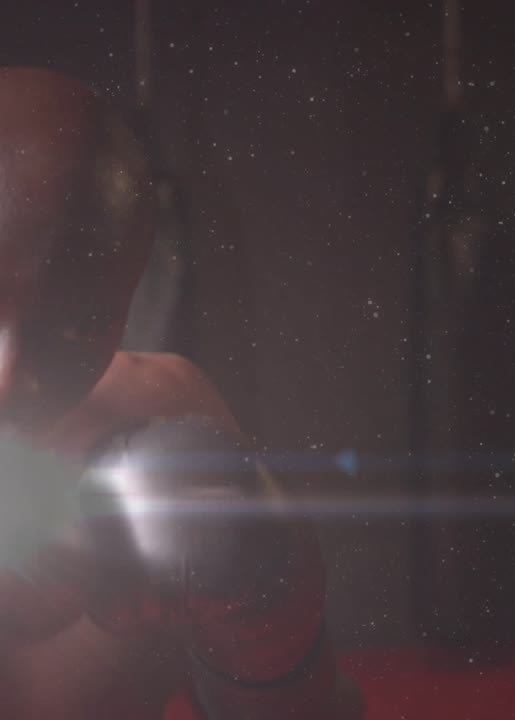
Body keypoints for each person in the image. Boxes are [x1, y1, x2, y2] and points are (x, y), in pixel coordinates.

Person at [0, 67, 358, 718]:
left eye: (70, 325)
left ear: (126, 302)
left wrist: (272, 631)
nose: (10, 370)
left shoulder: (164, 416)